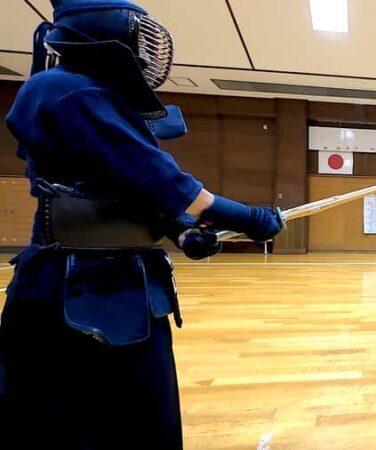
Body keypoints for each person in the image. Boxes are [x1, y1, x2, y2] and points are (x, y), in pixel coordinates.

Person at [0, 1, 285, 448]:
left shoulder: (92, 95)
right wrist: (247, 218)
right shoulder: (67, 91)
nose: (150, 50)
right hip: (78, 289)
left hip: (123, 284)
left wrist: (181, 230)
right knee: (71, 424)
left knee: (142, 417)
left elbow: (123, 188)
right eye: (141, 37)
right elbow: (161, 179)